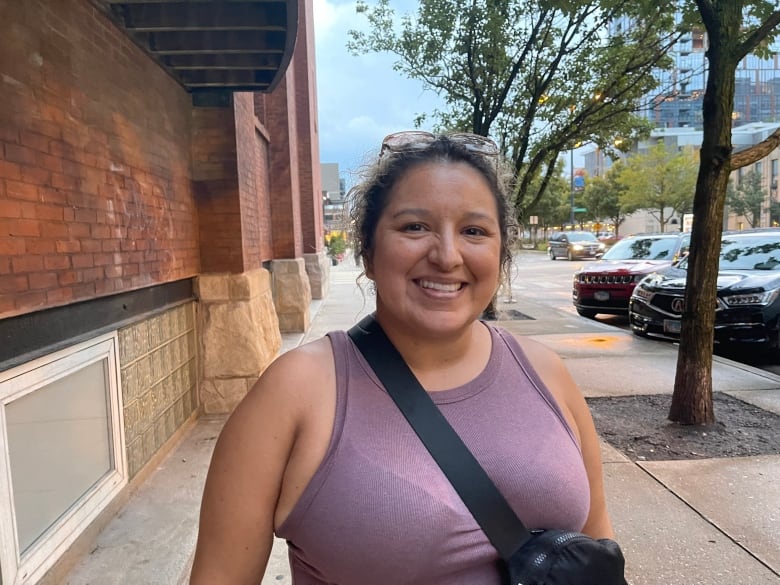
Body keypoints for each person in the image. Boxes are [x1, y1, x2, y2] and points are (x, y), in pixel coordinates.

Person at [189, 131, 615, 584]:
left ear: (500, 252)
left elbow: (597, 546)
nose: (447, 256)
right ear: (368, 252)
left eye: (474, 231)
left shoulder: (547, 374)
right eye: (415, 227)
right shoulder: (294, 393)